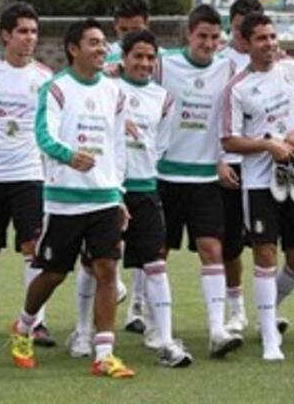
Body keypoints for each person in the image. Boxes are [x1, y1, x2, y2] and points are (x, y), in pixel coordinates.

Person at [10, 18, 134, 378]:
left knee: (107, 268)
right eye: (93, 43)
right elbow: (43, 136)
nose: (102, 49)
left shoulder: (116, 92)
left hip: (105, 197)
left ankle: (104, 354)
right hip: (64, 199)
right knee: (53, 272)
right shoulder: (56, 89)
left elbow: (118, 149)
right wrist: (67, 156)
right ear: (73, 48)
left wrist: (119, 192)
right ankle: (23, 326)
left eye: (104, 43)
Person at [67, 30, 193, 368]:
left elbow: (161, 144)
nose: (144, 63)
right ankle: (82, 332)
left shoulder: (164, 98)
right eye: (137, 56)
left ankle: (166, 340)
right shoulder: (107, 89)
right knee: (95, 265)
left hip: (146, 189)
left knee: (155, 264)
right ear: (122, 58)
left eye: (150, 57)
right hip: (109, 190)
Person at [221, 12, 294, 361]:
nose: (270, 44)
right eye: (262, 39)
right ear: (246, 44)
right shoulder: (237, 87)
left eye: (273, 36)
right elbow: (229, 141)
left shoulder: (292, 69)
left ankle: (268, 307)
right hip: (260, 183)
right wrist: (267, 145)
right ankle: (268, 337)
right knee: (264, 253)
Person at [155, 4, 242, 358]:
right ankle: (152, 324)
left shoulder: (230, 67)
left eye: (213, 37)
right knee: (158, 253)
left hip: (206, 176)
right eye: (201, 36)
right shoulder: (164, 64)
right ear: (188, 35)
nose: (208, 43)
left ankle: (218, 330)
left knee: (212, 250)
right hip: (164, 175)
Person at [0, 3, 54, 346]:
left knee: (32, 246)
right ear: (5, 35)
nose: (30, 38)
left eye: (34, 32)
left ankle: (36, 322)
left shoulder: (44, 76)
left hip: (28, 174)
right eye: (22, 31)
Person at [105, 0, 153, 327]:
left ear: (146, 25)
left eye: (134, 29)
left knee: (143, 241)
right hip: (109, 160)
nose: (128, 35)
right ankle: (89, 321)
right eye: (123, 30)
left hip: (145, 161)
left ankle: (137, 308)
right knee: (108, 236)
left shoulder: (155, 60)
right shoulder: (104, 57)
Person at [218, 0, 264, 334]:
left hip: (266, 164)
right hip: (233, 161)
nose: (242, 37)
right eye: (236, 29)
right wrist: (219, 160)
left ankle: (268, 304)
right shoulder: (221, 62)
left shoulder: (278, 61)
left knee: (269, 240)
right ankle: (236, 309)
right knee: (232, 241)